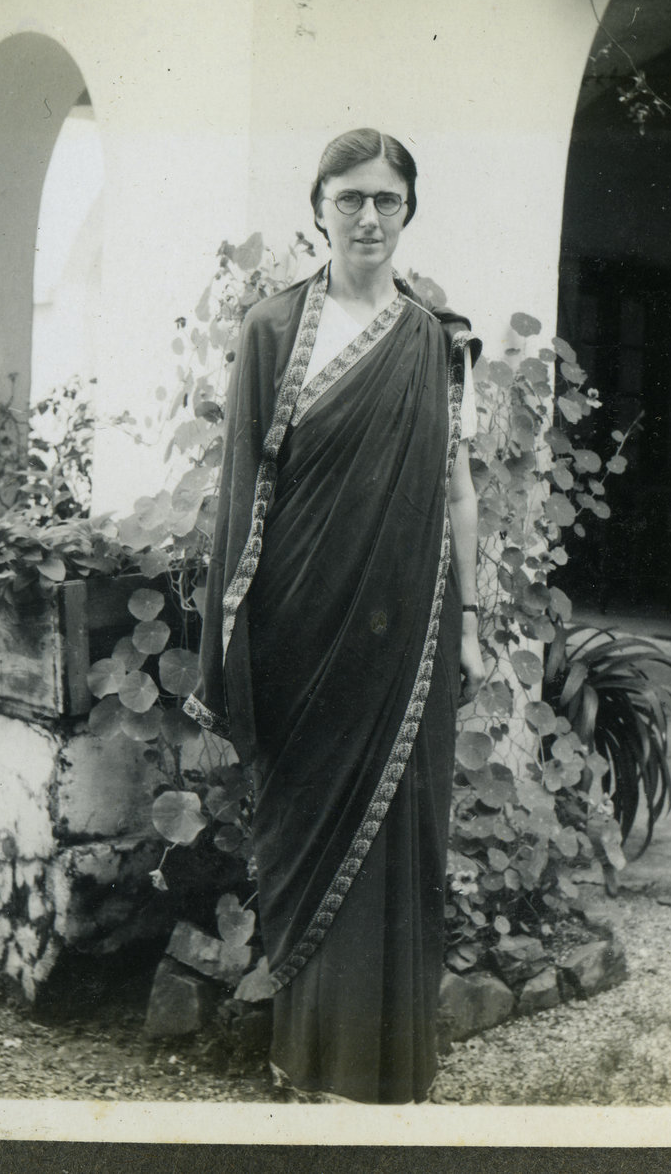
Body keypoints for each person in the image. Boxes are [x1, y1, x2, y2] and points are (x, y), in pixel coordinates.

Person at [185, 128, 484, 1103]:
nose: (366, 216)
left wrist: (472, 619)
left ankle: (392, 1067)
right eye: (348, 197)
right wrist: (236, 643)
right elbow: (239, 494)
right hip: (303, 637)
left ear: (408, 212)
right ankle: (309, 1063)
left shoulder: (438, 341)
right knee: (308, 839)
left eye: (385, 199)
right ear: (318, 207)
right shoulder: (274, 330)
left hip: (412, 640)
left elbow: (460, 490)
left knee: (404, 839)